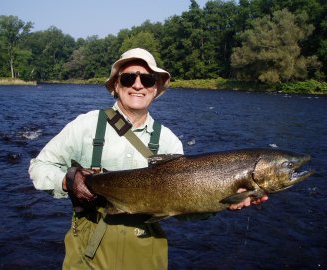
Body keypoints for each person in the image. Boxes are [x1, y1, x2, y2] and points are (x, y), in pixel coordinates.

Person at [29, 48, 268, 269]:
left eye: (147, 79)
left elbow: (185, 207)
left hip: (145, 254)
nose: (137, 85)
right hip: (88, 254)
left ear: (155, 89)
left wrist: (227, 201)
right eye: (128, 78)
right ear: (116, 85)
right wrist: (68, 181)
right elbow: (39, 167)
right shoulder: (86, 125)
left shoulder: (169, 141)